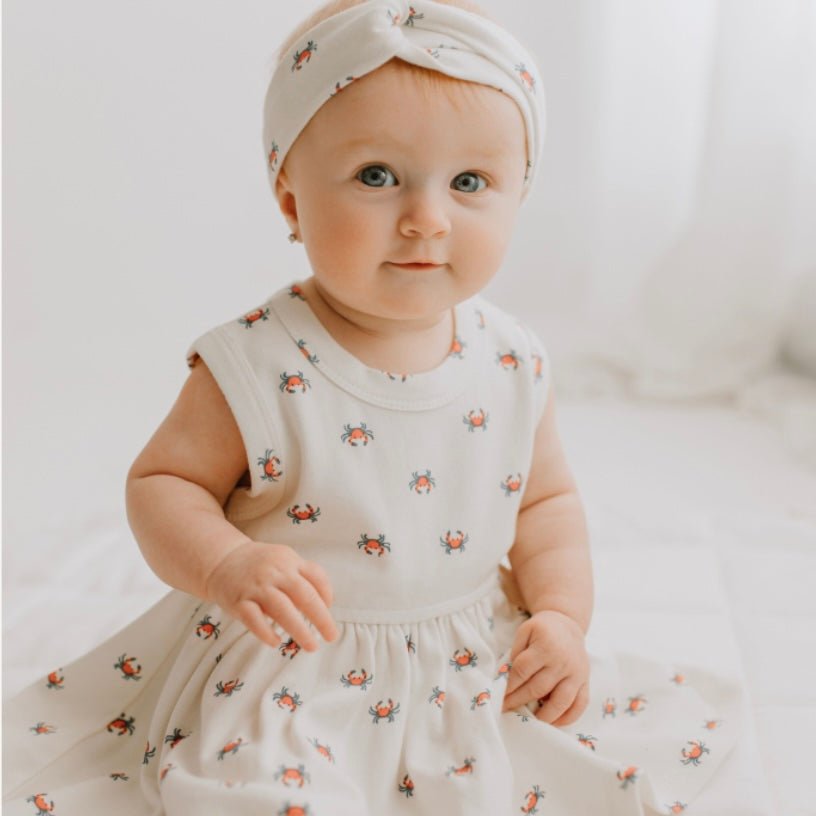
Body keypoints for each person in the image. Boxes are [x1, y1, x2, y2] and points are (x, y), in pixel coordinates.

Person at [3, 1, 744, 813]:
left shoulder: (512, 360)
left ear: (519, 194)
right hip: (294, 668)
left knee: (570, 777)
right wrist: (226, 564)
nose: (427, 220)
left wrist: (563, 618)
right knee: (262, 794)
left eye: (469, 183)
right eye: (377, 177)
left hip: (469, 660)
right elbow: (164, 485)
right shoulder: (257, 364)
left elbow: (545, 503)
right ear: (292, 200)